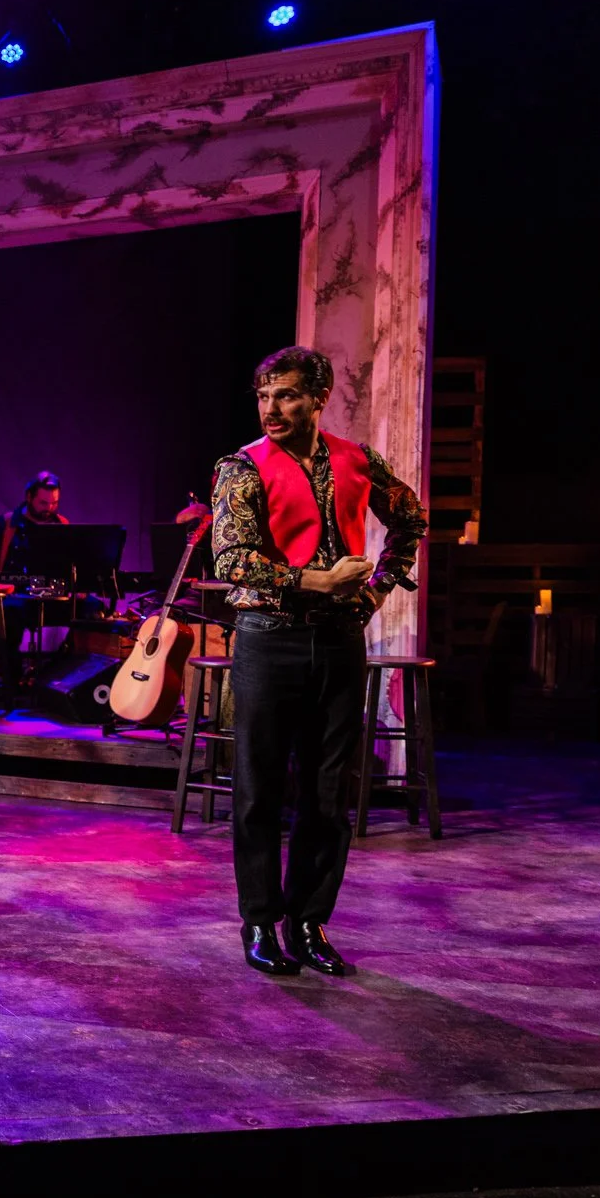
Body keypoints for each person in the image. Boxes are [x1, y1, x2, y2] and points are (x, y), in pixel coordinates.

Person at [211, 346, 426, 978]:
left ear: (318, 399)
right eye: (263, 396)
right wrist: (317, 581)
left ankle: (309, 922)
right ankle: (259, 922)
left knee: (329, 793)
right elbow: (232, 559)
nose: (271, 409)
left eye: (285, 395)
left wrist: (375, 592)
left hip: (337, 640)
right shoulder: (242, 466)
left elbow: (410, 519)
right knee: (259, 789)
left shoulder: (357, 459)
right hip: (267, 637)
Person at [0, 470, 70, 683]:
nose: (49, 508)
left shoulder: (62, 524)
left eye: (54, 503)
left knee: (92, 611)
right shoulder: (6, 524)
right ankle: (11, 685)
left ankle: (61, 674)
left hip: (51, 598)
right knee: (10, 615)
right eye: (43, 503)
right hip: (14, 597)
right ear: (29, 497)